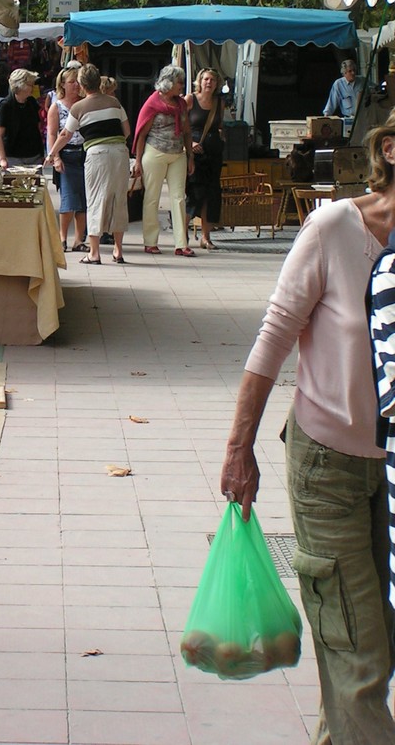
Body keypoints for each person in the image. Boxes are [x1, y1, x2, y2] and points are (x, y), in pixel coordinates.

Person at [223, 113, 395, 744]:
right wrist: (240, 449)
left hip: (394, 472)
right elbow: (273, 338)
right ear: (390, 150)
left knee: (369, 644)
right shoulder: (333, 229)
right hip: (328, 466)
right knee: (357, 651)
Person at [45, 63, 130, 264]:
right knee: (119, 199)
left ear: (83, 85)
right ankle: (118, 250)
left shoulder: (79, 107)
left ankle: (94, 253)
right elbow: (126, 131)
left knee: (94, 200)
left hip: (97, 153)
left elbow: (65, 134)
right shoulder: (114, 103)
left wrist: (52, 153)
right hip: (120, 152)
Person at [132, 64, 195, 257]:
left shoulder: (181, 104)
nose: (182, 86)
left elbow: (186, 131)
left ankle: (181, 243)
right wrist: (138, 160)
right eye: (179, 82)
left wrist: (190, 156)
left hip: (177, 153)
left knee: (178, 197)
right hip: (155, 152)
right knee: (152, 197)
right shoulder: (152, 103)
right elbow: (142, 134)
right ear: (169, 83)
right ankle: (150, 241)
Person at [46, 67, 87, 252]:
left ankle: (79, 240)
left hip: (85, 154)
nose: (76, 85)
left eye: (78, 81)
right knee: (68, 199)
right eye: (72, 82)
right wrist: (56, 157)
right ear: (62, 84)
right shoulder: (57, 106)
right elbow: (52, 134)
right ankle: (62, 237)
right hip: (67, 155)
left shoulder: (85, 103)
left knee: (85, 200)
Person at [184, 68, 224, 250]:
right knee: (194, 194)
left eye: (212, 80)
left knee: (211, 195)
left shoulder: (219, 103)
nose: (209, 83)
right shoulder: (190, 99)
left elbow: (219, 126)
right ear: (199, 81)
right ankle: (182, 234)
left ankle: (206, 237)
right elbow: (180, 124)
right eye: (206, 79)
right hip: (196, 154)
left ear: (217, 84)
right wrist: (189, 143)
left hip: (213, 154)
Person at [0, 68, 44, 169]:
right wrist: (2, 159)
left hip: (34, 155)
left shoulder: (32, 102)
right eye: (30, 85)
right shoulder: (6, 105)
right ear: (21, 86)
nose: (33, 87)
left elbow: (38, 128)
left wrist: (42, 153)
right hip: (13, 157)